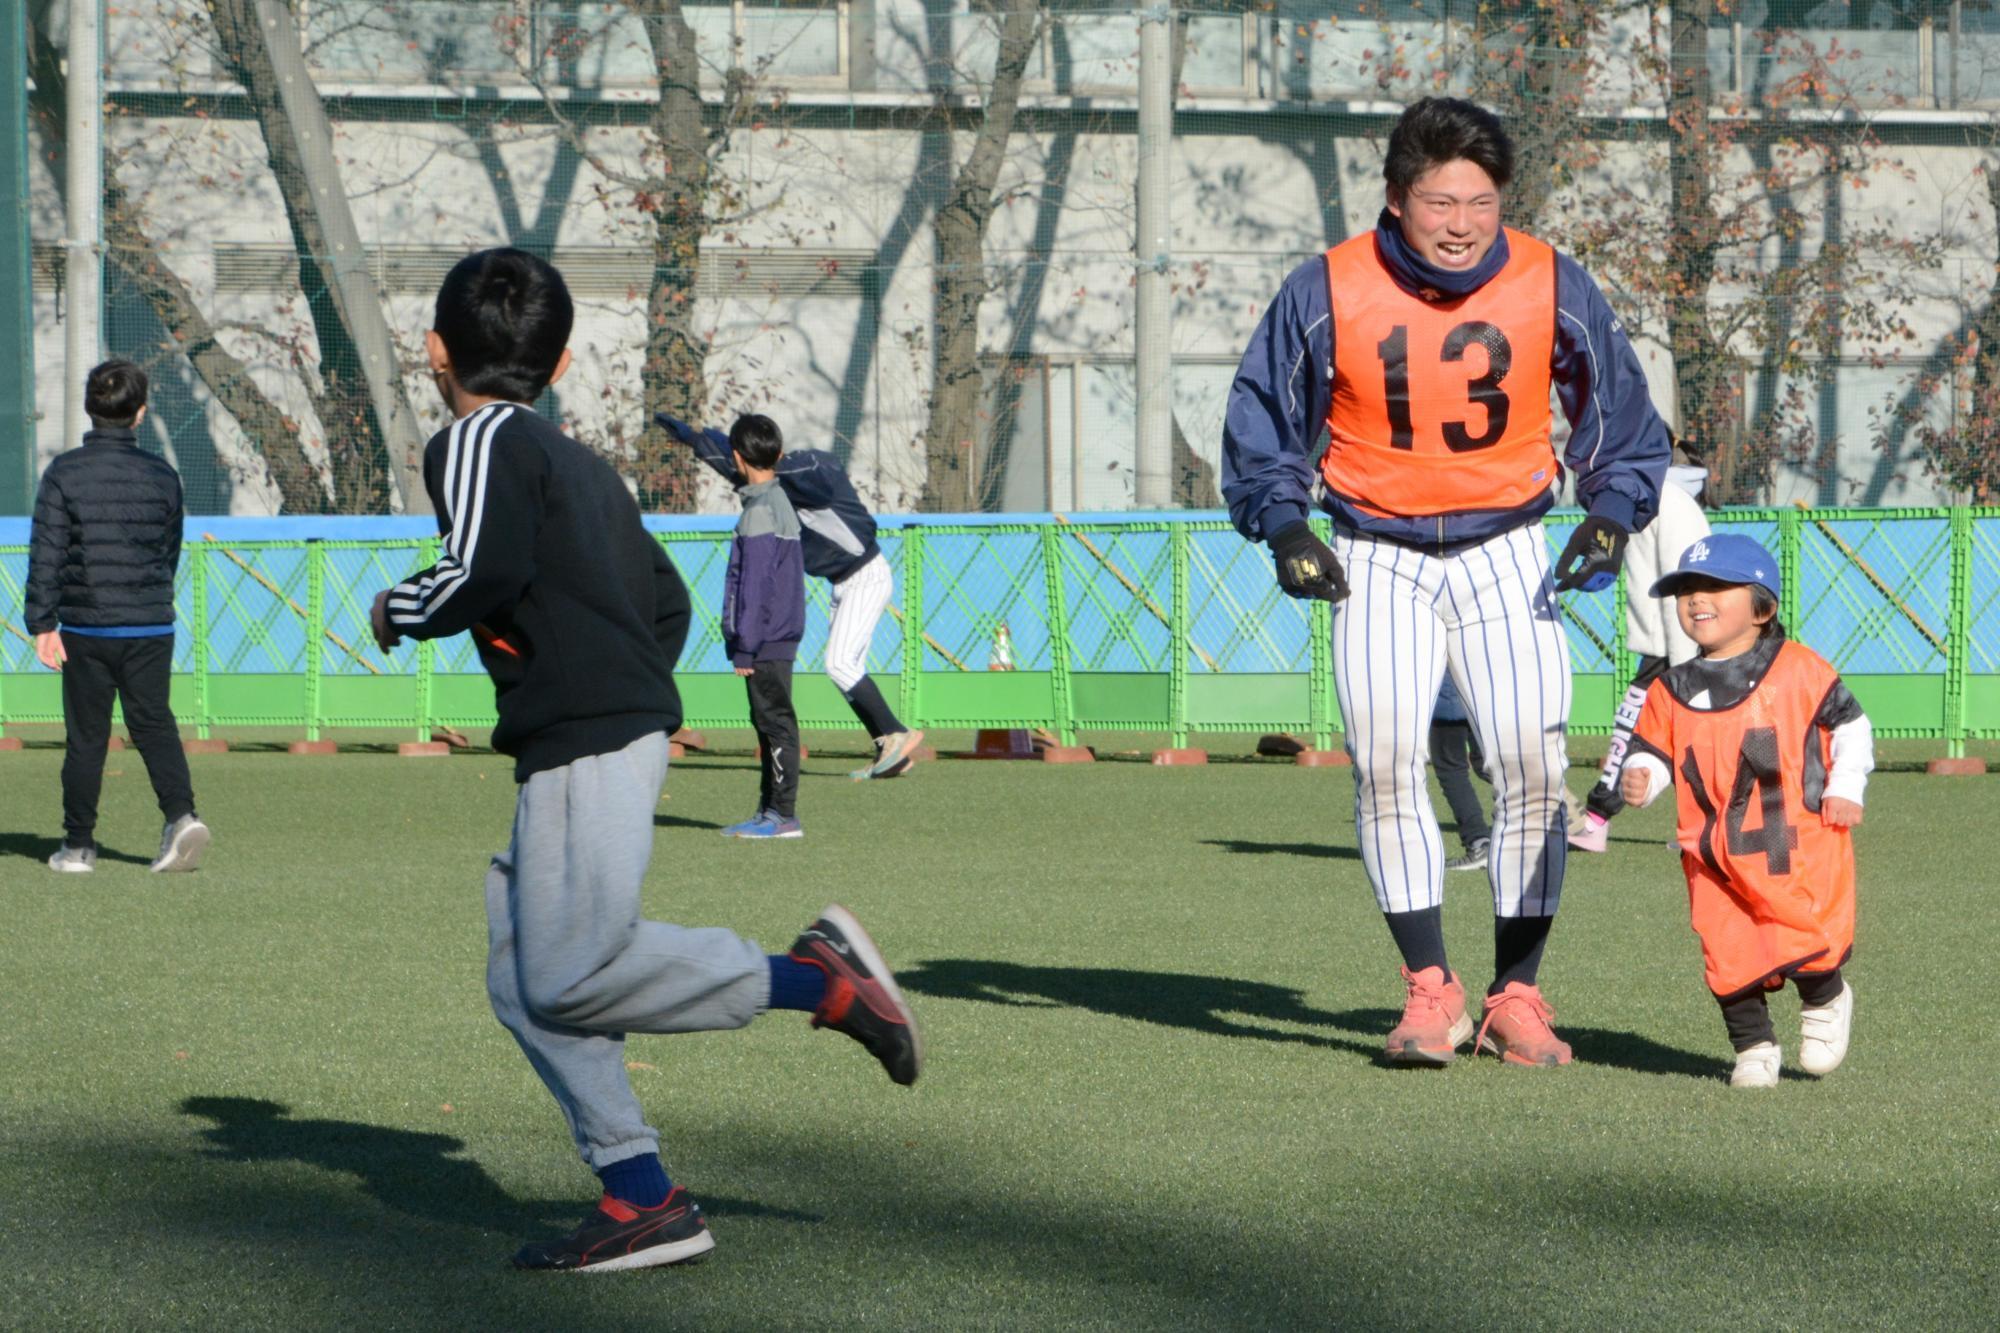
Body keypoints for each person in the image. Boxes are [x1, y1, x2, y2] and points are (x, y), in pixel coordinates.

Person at [370, 248, 920, 1272]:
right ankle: (640, 1195)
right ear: (565, 359)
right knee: (521, 972)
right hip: (594, 727)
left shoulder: (475, 438)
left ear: (433, 350)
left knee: (569, 972)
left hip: (583, 733)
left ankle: (816, 980)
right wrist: (614, 682)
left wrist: (398, 608)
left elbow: (475, 568)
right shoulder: (581, 466)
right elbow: (661, 600)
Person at [1221, 96, 1670, 1067]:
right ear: (1394, 199)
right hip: (1373, 551)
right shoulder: (1328, 286)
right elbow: (1262, 419)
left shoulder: (1548, 278)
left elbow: (1620, 415)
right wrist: (1282, 520)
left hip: (1506, 546)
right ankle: (1430, 990)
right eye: (1437, 200)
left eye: (1477, 199)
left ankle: (1517, 991)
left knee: (1531, 769)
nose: (1460, 221)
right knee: (1385, 764)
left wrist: (1607, 511)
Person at [1619, 534, 1869, 1088]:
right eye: (1685, 589)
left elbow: (1851, 725)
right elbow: (1655, 748)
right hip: (1712, 849)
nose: (1695, 599)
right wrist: (1644, 775)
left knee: (1802, 929)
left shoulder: (1800, 668)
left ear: (1763, 606)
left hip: (1791, 840)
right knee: (1725, 944)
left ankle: (1825, 1001)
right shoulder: (1671, 686)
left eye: (1713, 586)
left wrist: (1846, 785)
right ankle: (1753, 1045)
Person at [657, 412, 925, 780]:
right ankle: (889, 747)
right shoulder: (769, 483)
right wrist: (695, 438)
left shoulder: (808, 469)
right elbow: (732, 459)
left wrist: (766, 462)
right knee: (847, 667)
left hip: (866, 574)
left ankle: (896, 733)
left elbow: (813, 467)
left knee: (839, 664)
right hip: (846, 581)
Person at [26, 359, 209, 875]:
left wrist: (42, 622)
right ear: (141, 413)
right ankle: (182, 816)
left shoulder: (64, 473)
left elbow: (48, 551)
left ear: (90, 408)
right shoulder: (162, 475)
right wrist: (150, 596)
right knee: (154, 724)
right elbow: (168, 550)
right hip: (151, 623)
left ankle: (79, 846)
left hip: (86, 627)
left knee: (86, 736)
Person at [1569, 461, 1712, 852]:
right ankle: (1601, 823)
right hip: (1668, 648)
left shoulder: (1669, 502)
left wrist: (1688, 663)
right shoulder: (1652, 498)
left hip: (1675, 650)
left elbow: (1682, 587)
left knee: (1650, 733)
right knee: (1649, 734)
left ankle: (1600, 823)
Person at [719, 414, 808, 839]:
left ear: (738, 457)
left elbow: (755, 587)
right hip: (776, 635)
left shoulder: (759, 512)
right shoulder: (778, 501)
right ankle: (767, 810)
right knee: (768, 722)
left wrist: (745, 645)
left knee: (774, 725)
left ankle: (782, 815)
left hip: (766, 638)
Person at [1429, 674, 1492, 873]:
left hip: (1448, 696)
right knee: (1490, 764)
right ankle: (1557, 813)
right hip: (1484, 692)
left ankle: (1479, 843)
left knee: (1451, 768)